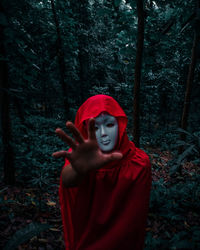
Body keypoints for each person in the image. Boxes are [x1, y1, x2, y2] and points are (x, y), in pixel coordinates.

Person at [52, 94, 152, 250]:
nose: (103, 133)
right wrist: (80, 170)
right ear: (85, 129)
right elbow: (68, 180)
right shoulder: (79, 156)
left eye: (110, 125)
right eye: (95, 127)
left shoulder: (139, 162)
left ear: (120, 125)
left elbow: (134, 221)